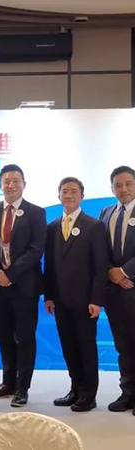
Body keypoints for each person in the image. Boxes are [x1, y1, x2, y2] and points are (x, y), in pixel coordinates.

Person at [0, 164, 46, 407]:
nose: (11, 185)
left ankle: (22, 387)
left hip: (24, 286)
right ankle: (7, 383)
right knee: (4, 336)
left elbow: (36, 250)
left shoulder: (36, 212)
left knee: (25, 337)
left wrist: (10, 274)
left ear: (24, 184)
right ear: (0, 184)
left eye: (15, 181)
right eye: (6, 181)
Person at [44, 177, 106, 412]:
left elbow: (100, 266)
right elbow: (49, 265)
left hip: (85, 301)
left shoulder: (94, 226)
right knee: (68, 347)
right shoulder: (52, 227)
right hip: (60, 300)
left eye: (73, 191)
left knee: (86, 347)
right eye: (64, 191)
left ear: (82, 196)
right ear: (58, 195)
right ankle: (75, 389)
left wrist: (96, 299)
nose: (68, 195)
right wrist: (49, 296)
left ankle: (89, 395)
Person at [100, 165, 135, 414]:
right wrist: (111, 272)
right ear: (112, 188)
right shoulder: (106, 212)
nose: (124, 189)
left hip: (132, 284)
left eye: (128, 184)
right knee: (123, 345)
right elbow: (98, 249)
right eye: (118, 185)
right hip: (114, 291)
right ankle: (128, 393)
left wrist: (124, 272)